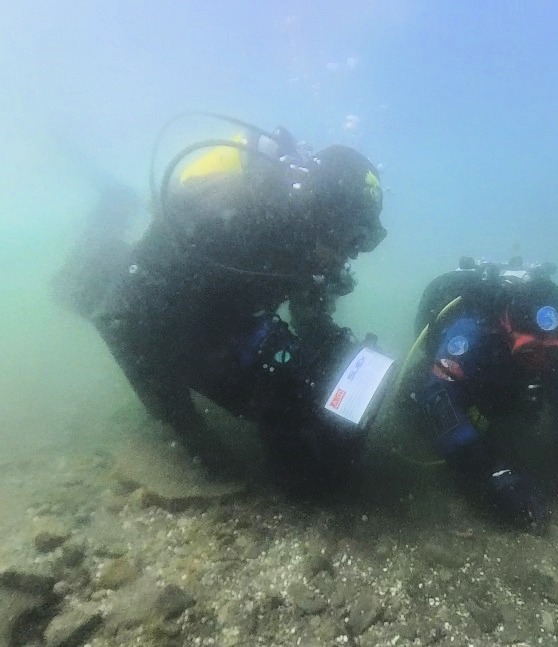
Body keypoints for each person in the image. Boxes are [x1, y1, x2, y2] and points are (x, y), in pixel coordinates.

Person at [52, 115, 390, 493]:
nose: (351, 254)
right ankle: (111, 209)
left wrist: (335, 359)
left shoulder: (308, 242)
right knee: (77, 288)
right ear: (317, 215)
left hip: (217, 309)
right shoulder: (224, 222)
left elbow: (309, 309)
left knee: (292, 394)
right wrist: (193, 437)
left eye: (363, 241)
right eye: (349, 237)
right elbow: (122, 322)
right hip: (150, 295)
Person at [407, 257, 558, 532]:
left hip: (505, 392)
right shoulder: (473, 328)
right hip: (477, 383)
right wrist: (490, 472)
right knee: (417, 405)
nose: (542, 362)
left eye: (551, 352)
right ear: (506, 329)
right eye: (531, 353)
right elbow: (437, 394)